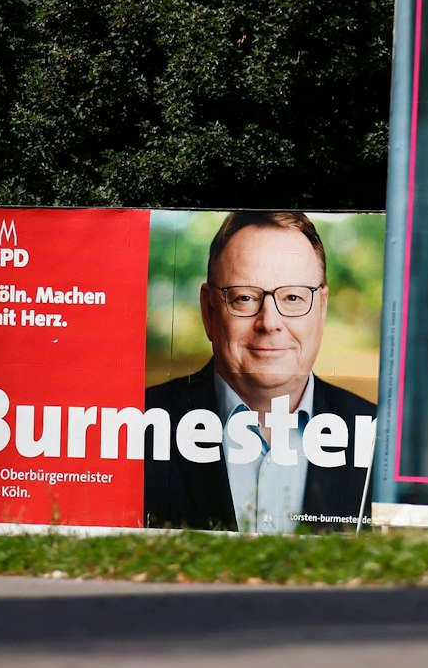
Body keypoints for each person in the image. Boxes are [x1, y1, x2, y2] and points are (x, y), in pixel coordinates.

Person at [144, 211, 377, 532]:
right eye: (244, 298)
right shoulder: (136, 428)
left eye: (293, 297)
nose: (269, 322)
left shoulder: (381, 440)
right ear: (208, 310)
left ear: (322, 307)